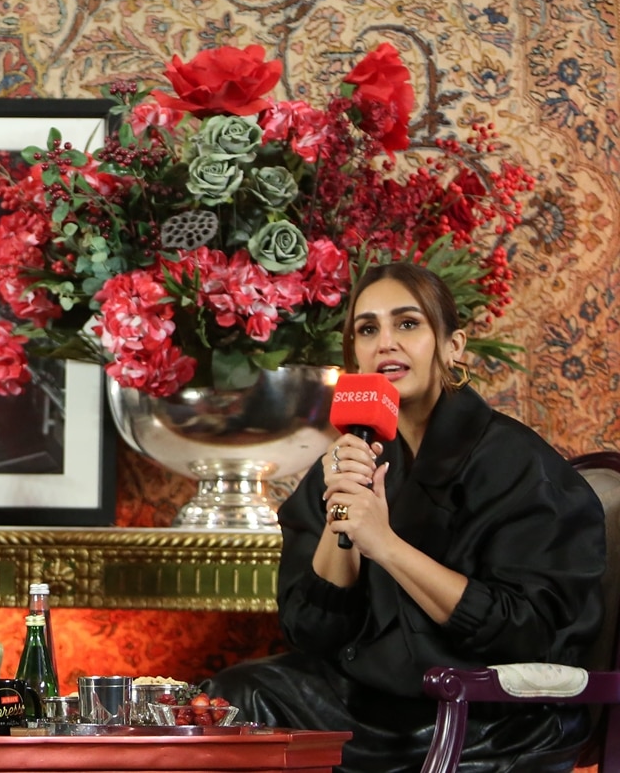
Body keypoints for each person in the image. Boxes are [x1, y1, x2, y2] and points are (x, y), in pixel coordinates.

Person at [205, 262, 605, 772]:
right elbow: (310, 632)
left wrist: (385, 544)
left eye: (408, 323)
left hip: (484, 713)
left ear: (453, 346)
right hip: (373, 699)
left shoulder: (517, 465)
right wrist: (341, 511)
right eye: (367, 329)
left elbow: (525, 635)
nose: (386, 343)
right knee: (233, 697)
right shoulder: (352, 455)